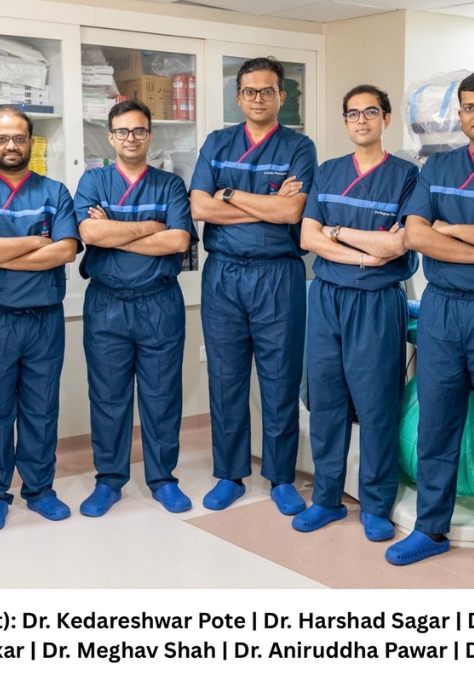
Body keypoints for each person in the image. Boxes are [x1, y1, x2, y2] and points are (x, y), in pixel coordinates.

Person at [387, 71, 474, 581]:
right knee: (436, 423)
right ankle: (431, 528)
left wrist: (455, 232)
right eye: (470, 107)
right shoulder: (439, 167)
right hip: (442, 309)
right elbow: (416, 235)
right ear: (459, 114)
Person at [189, 57, 317, 515]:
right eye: (249, 91)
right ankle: (230, 474)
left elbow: (291, 212)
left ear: (281, 96)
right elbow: (199, 207)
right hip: (223, 274)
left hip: (278, 275)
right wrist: (265, 203)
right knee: (225, 378)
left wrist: (229, 194)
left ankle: (281, 477)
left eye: (267, 91)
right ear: (238, 97)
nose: (258, 98)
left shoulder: (299, 147)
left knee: (280, 378)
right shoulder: (218, 142)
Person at [294, 84, 417, 541]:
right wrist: (365, 254)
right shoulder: (328, 171)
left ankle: (376, 505)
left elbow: (398, 244)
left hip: (377, 303)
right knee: (326, 402)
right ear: (344, 121)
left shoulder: (407, 176)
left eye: (370, 112)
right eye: (352, 113)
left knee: (376, 404)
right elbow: (308, 237)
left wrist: (338, 231)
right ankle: (326, 499)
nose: (361, 120)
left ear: (386, 119)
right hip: (327, 298)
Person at [0, 106, 81, 531]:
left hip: (44, 317)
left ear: (31, 141)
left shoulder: (54, 191)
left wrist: (0, 251)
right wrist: (36, 242)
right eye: (2, 138)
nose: (11, 146)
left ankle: (40, 489)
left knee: (41, 407)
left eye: (20, 138)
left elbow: (66, 250)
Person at [74, 100, 197, 516]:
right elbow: (91, 233)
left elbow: (178, 241)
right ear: (111, 138)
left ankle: (162, 479)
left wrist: (114, 230)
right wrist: (151, 227)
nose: (131, 138)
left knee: (162, 395)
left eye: (139, 130)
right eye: (123, 131)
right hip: (107, 303)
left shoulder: (170, 185)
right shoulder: (93, 180)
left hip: (159, 302)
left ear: (150, 136)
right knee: (108, 396)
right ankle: (109, 480)